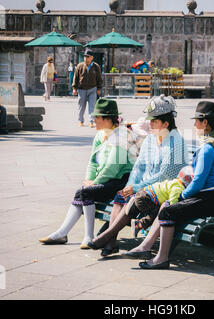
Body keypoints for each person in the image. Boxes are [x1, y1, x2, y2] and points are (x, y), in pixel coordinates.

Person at [123, 101, 214, 269]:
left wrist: (181, 196)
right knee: (167, 206)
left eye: (196, 121)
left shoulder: (208, 148)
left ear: (204, 122)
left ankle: (161, 258)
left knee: (169, 211)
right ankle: (145, 247)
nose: (194, 125)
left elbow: (198, 182)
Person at [87, 94, 189, 256]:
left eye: (154, 121)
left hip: (164, 192)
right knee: (121, 196)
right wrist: (130, 185)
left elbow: (164, 177)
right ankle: (111, 243)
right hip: (146, 188)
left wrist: (137, 187)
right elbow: (139, 167)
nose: (150, 123)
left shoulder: (176, 142)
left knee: (134, 197)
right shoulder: (150, 139)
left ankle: (106, 236)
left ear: (166, 123)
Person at [39, 98, 140, 249]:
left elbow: (113, 167)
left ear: (107, 119)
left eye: (96, 117)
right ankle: (63, 233)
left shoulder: (122, 136)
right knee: (82, 191)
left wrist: (95, 182)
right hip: (106, 179)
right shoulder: (101, 135)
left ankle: (86, 236)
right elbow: (93, 161)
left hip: (120, 181)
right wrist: (89, 179)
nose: (93, 120)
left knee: (85, 192)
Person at [127, 165, 193, 238]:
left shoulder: (174, 182)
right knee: (157, 214)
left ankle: (134, 201)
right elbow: (172, 204)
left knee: (154, 208)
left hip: (144, 192)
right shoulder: (178, 188)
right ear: (188, 179)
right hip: (146, 199)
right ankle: (139, 224)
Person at [72, 49, 102, 128]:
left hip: (93, 89)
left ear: (91, 57)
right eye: (84, 57)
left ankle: (91, 121)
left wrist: (99, 88)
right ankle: (81, 120)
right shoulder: (80, 66)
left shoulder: (96, 66)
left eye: (87, 57)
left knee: (92, 105)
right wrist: (74, 88)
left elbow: (99, 78)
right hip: (81, 89)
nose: (85, 58)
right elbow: (76, 77)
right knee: (81, 106)